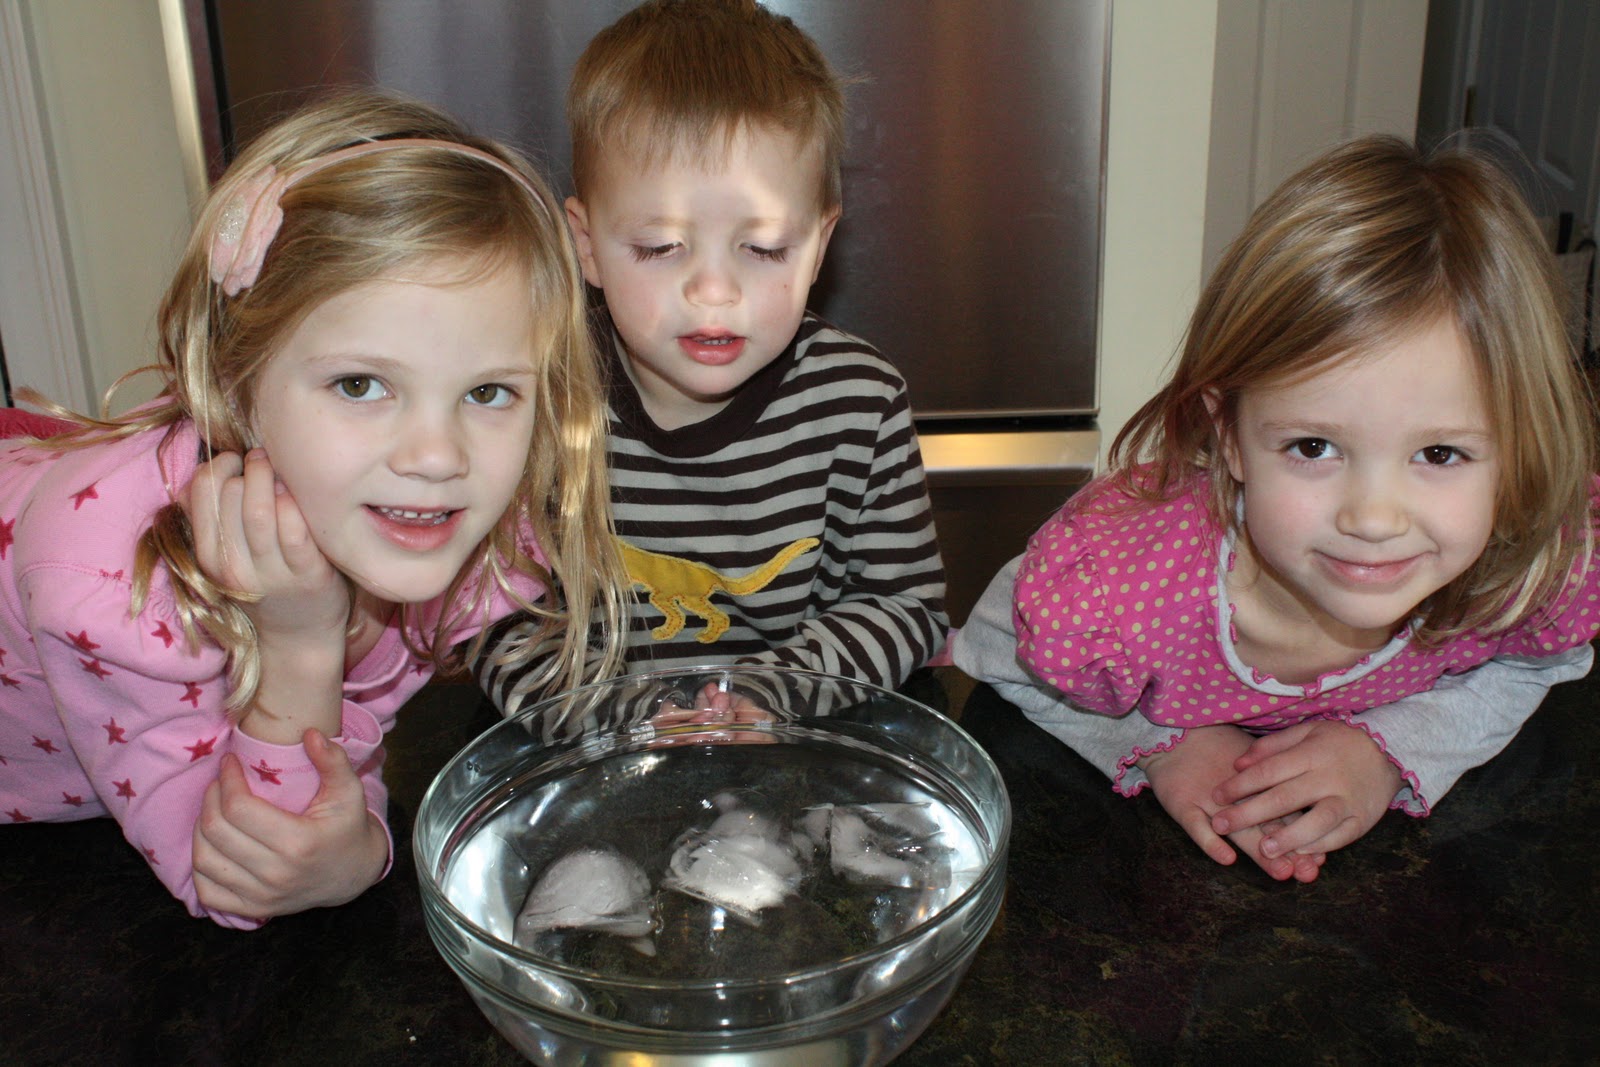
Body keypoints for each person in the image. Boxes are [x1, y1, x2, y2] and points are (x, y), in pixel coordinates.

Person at [0, 90, 626, 926]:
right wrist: (298, 643)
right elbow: (235, 869)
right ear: (235, 385)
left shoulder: (463, 533)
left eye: (487, 391)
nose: (437, 456)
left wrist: (359, 830)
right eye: (361, 384)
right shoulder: (108, 584)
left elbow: (334, 768)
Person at [954, 135, 1600, 883]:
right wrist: (1163, 743)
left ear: (1517, 450)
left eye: (1440, 454)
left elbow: (1540, 663)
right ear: (1228, 435)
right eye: (1315, 446)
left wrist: (1392, 749)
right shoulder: (1128, 592)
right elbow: (996, 646)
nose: (1374, 516)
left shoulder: (1524, 567)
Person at [477, 0, 948, 721]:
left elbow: (905, 607)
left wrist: (767, 691)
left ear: (820, 245)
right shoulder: (536, 396)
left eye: (763, 249)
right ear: (586, 244)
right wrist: (619, 719)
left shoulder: (861, 403)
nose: (714, 291)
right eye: (660, 247)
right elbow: (492, 616)